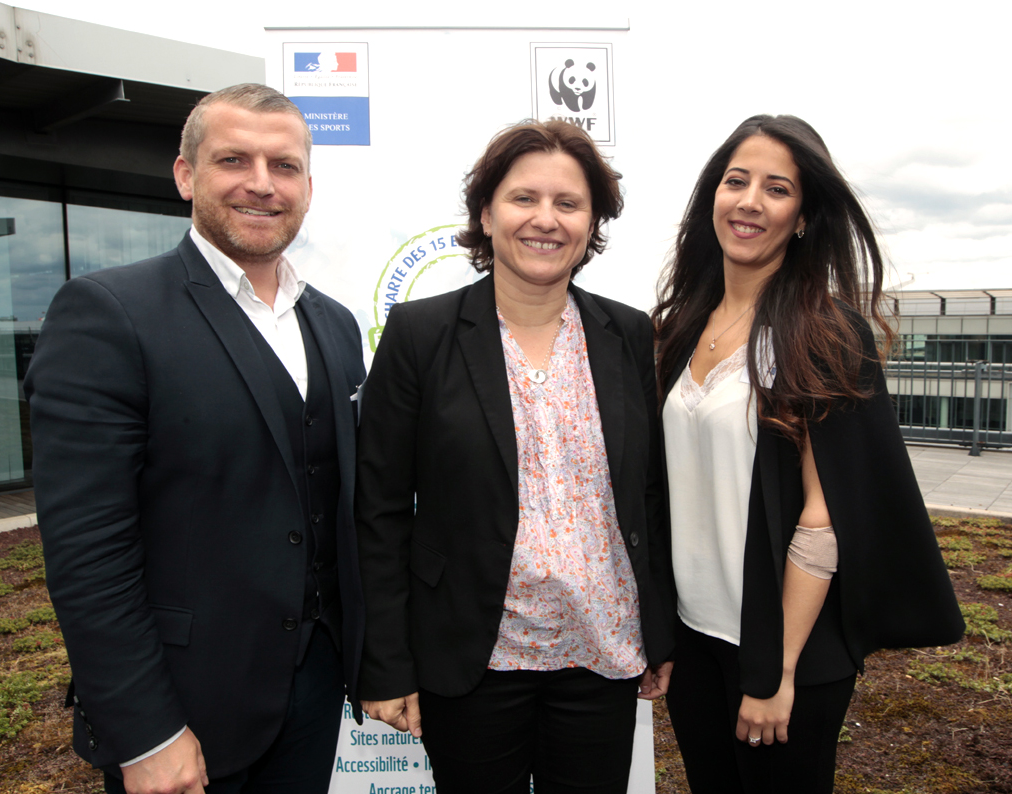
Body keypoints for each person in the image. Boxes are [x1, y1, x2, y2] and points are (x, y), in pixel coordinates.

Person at [25, 84, 366, 794]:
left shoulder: (335, 326)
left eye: (285, 165)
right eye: (233, 160)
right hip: (181, 708)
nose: (261, 184)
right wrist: (145, 729)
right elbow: (87, 554)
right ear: (185, 175)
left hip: (312, 693)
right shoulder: (108, 313)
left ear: (306, 184)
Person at [354, 119, 677, 793]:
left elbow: (649, 491)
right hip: (473, 659)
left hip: (600, 655)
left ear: (592, 223)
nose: (545, 219)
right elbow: (379, 512)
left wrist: (658, 627)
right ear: (485, 212)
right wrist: (387, 663)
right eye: (523, 198)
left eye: (568, 203)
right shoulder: (421, 335)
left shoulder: (625, 333)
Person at [652, 114, 964, 793]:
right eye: (736, 181)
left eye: (776, 188)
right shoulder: (677, 329)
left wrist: (777, 670)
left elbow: (822, 523)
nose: (749, 202)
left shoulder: (823, 333)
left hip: (785, 647)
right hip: (695, 641)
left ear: (801, 217)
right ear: (713, 195)